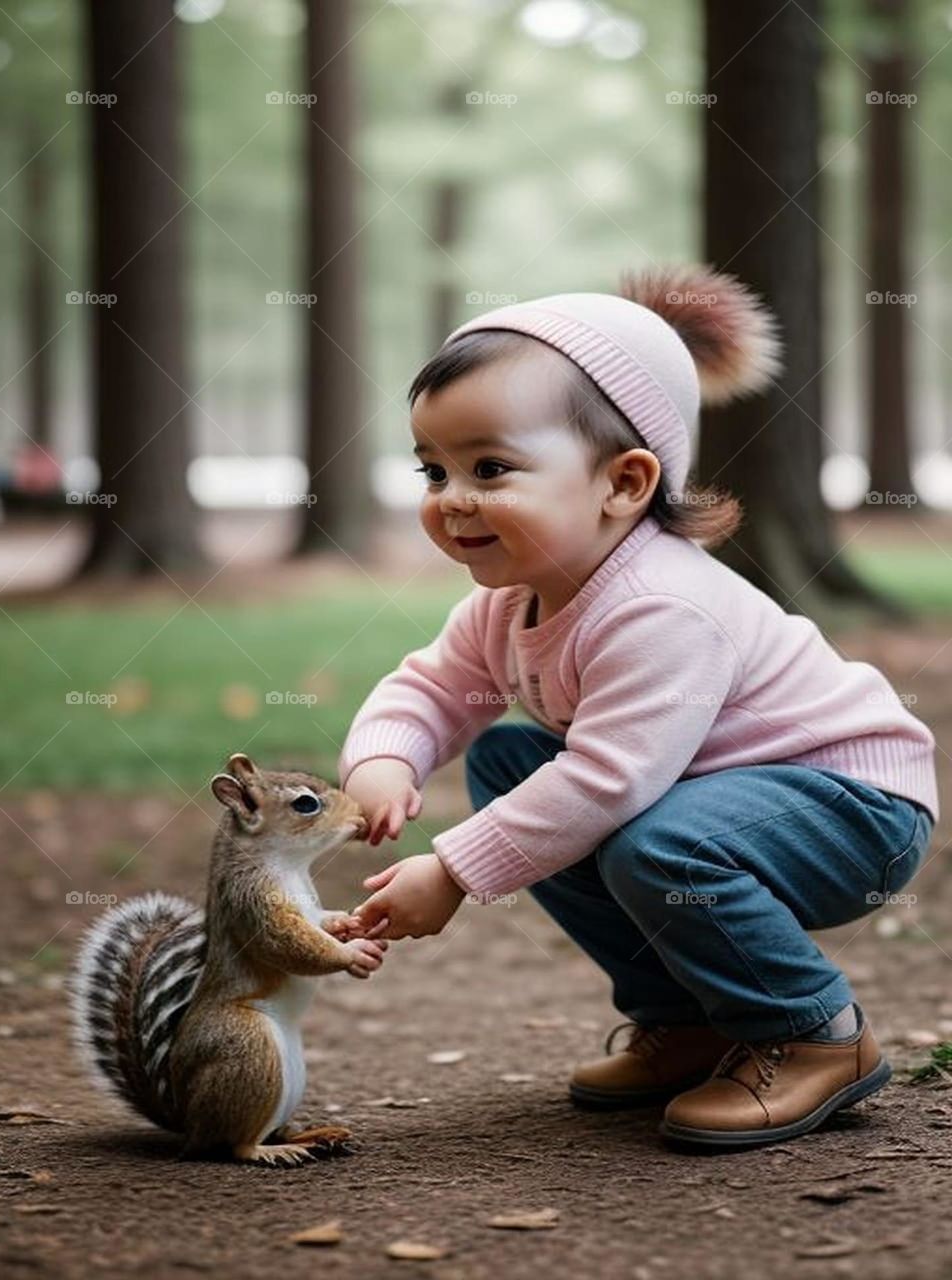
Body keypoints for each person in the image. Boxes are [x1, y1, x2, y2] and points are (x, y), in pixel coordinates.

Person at [344, 266, 938, 1148]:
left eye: (492, 468)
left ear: (623, 484)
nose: (453, 499)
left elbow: (608, 782)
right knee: (511, 764)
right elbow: (433, 686)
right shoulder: (512, 598)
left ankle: (813, 1035)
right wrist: (385, 759)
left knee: (655, 836)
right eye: (435, 468)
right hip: (718, 800)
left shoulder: (662, 607)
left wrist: (458, 870)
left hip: (850, 809)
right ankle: (690, 1019)